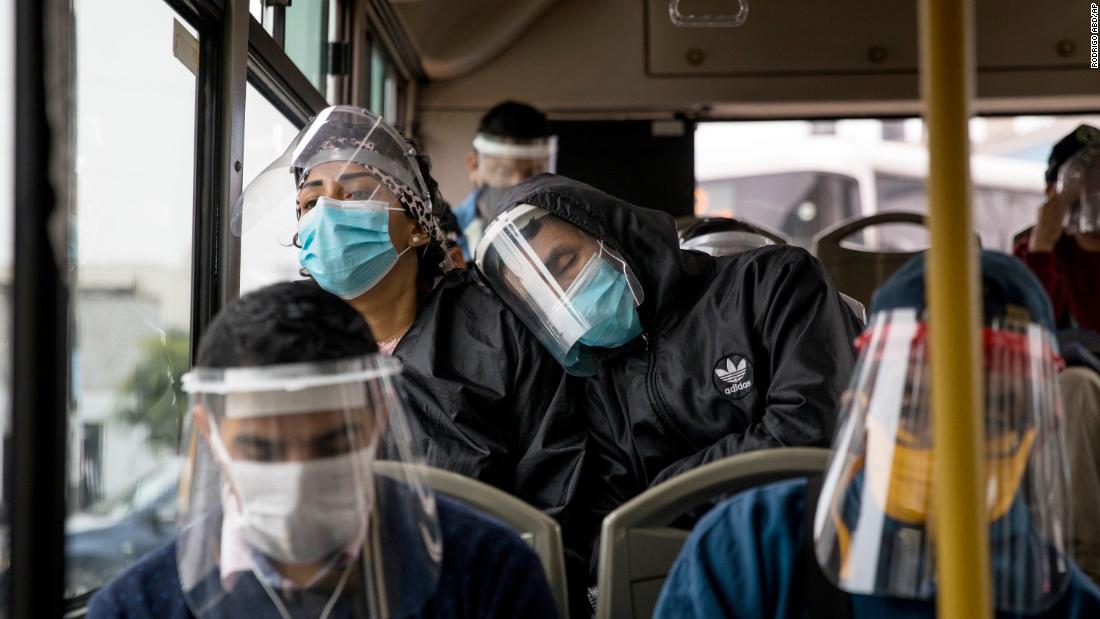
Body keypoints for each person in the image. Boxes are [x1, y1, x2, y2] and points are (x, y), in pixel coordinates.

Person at [653, 250, 1100, 618]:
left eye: (995, 415)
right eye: (910, 405)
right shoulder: (749, 554)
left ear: (1039, 433)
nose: (950, 445)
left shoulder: (1070, 605)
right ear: (859, 408)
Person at [87, 282, 558, 618]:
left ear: (376, 416)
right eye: (261, 448)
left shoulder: (489, 574)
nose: (298, 478)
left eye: (333, 442)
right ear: (209, 431)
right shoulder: (136, 606)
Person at [474, 175, 861, 572]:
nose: (563, 298)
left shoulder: (773, 284)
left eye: (565, 263)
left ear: (611, 234)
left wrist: (664, 490)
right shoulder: (597, 381)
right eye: (540, 292)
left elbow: (807, 432)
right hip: (692, 574)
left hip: (815, 547)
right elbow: (611, 522)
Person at [232, 106, 584, 526]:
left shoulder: (500, 331)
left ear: (417, 223)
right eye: (311, 201)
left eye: (357, 194)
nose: (327, 214)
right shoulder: (283, 340)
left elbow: (555, 492)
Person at [1014, 124, 1100, 332]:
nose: (1092, 193)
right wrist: (1041, 249)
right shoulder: (1030, 254)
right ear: (1051, 192)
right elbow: (1028, 327)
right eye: (1080, 182)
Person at [454, 101, 556, 259]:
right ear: (474, 166)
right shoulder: (443, 234)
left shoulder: (564, 233)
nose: (520, 186)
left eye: (534, 172)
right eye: (503, 171)